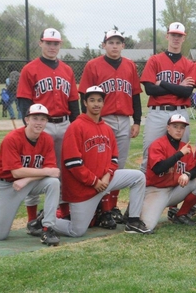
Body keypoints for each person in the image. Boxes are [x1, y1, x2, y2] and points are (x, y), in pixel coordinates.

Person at [54, 86, 149, 237]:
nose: (96, 104)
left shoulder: (106, 128)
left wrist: (106, 177)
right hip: (83, 188)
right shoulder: (76, 127)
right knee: (77, 231)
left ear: (104, 104)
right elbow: (72, 163)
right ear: (85, 103)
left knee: (138, 177)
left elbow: (114, 158)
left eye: (99, 100)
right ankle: (45, 220)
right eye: (92, 100)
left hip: (104, 181)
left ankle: (133, 221)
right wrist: (94, 182)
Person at [78, 29, 143, 228]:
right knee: (99, 164)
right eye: (111, 42)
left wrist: (137, 120)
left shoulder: (130, 65)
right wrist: (88, 122)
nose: (114, 46)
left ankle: (112, 206)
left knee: (118, 164)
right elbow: (84, 96)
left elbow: (135, 95)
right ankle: (101, 207)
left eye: (118, 42)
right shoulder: (93, 65)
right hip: (101, 119)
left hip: (123, 119)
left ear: (123, 46)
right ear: (104, 44)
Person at [16, 28, 80, 224]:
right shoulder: (30, 69)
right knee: (34, 167)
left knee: (63, 168)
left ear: (60, 45)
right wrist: (29, 126)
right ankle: (32, 218)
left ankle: (62, 210)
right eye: (48, 43)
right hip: (40, 125)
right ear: (40, 43)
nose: (52, 47)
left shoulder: (67, 70)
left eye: (55, 43)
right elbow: (24, 100)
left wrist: (76, 126)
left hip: (64, 124)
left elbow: (73, 101)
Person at [0, 104, 60, 246]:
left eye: (43, 119)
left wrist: (27, 180)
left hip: (27, 182)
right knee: (0, 235)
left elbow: (52, 171)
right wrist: (46, 172)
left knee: (53, 183)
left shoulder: (47, 139)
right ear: (27, 119)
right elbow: (16, 172)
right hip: (6, 184)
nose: (39, 122)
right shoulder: (12, 139)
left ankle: (47, 228)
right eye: (35, 118)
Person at [139, 22, 195, 173]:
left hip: (180, 112)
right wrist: (178, 86)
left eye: (179, 36)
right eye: (173, 35)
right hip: (157, 113)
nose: (176, 38)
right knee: (149, 154)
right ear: (167, 36)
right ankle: (145, 194)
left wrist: (162, 83)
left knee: (183, 153)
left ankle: (177, 191)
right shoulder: (155, 60)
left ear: (184, 38)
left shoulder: (188, 64)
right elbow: (150, 89)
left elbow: (186, 93)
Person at [140, 114, 196, 231]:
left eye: (182, 127)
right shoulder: (158, 144)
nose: (178, 130)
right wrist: (179, 154)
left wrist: (187, 174)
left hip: (175, 190)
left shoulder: (184, 147)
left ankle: (181, 214)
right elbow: (158, 168)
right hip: (156, 191)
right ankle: (134, 209)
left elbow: (195, 170)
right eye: (175, 126)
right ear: (168, 128)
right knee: (147, 226)